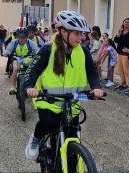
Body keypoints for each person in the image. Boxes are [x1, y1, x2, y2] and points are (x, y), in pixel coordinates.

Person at [23, 11, 104, 160]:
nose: (82, 37)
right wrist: (29, 87)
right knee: (48, 123)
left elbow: (92, 72)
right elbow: (32, 71)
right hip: (49, 101)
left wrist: (96, 87)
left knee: (73, 140)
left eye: (83, 34)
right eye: (77, 33)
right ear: (63, 31)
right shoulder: (48, 50)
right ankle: (35, 140)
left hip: (71, 103)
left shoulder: (83, 52)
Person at [4, 27, 39, 95]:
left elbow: (36, 50)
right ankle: (12, 87)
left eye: (23, 37)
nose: (22, 39)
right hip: (17, 58)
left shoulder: (30, 42)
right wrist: (6, 53)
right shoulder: (14, 42)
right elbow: (8, 50)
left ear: (26, 37)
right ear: (17, 37)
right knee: (15, 69)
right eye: (20, 37)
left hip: (28, 58)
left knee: (31, 70)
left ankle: (31, 86)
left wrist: (38, 53)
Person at [114, 18, 129, 90]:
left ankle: (128, 84)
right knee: (120, 69)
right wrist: (118, 34)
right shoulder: (121, 32)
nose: (126, 23)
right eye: (125, 22)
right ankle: (122, 82)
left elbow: (127, 42)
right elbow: (115, 40)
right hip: (119, 52)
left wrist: (120, 39)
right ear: (123, 23)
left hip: (125, 53)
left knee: (126, 70)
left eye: (128, 22)